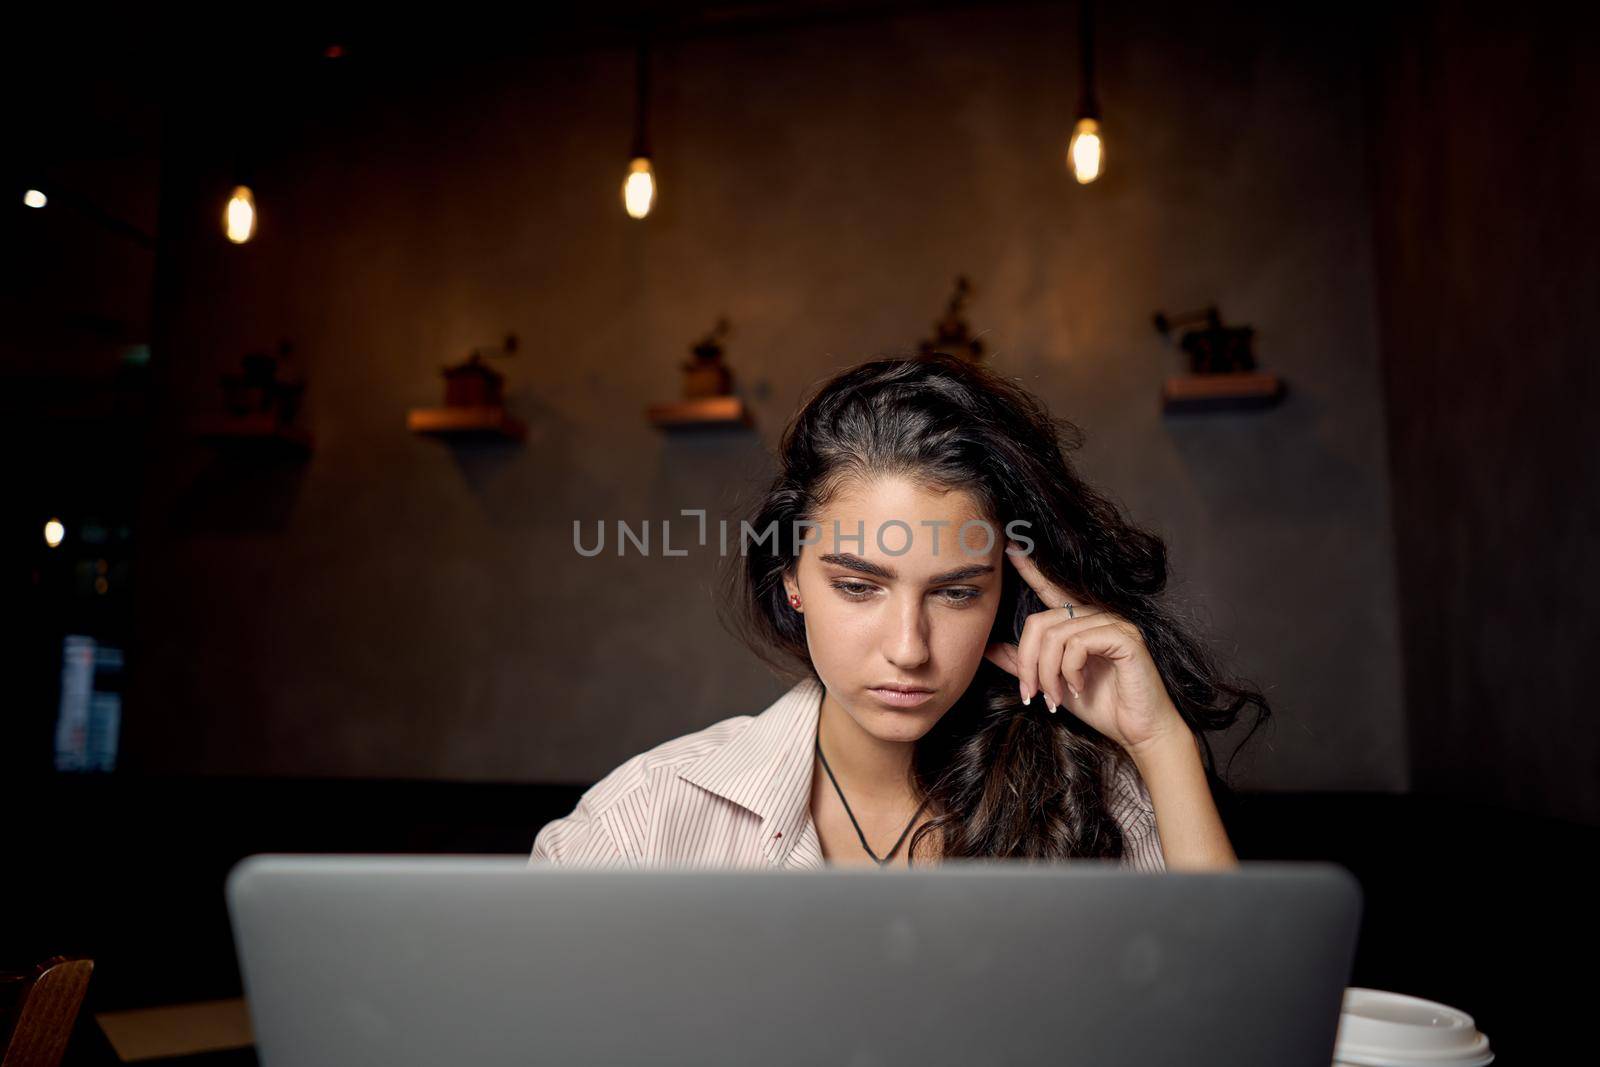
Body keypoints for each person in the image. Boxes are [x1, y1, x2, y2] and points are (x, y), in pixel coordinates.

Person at [531, 352, 1266, 871]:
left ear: (1005, 596)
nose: (909, 648)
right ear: (792, 578)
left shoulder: (1095, 799)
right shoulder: (643, 822)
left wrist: (1159, 740)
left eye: (955, 592)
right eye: (859, 586)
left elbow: (1248, 1032)